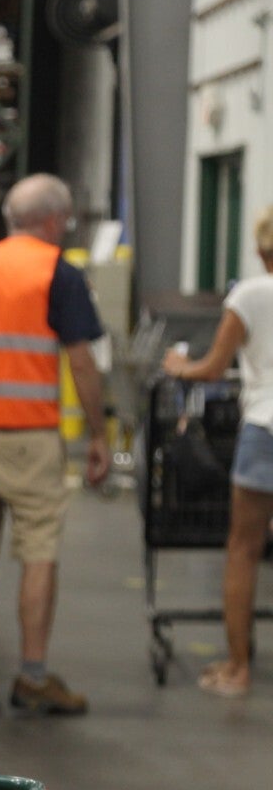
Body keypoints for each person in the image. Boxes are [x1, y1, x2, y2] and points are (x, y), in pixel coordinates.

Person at [0, 173, 110, 715]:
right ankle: (34, 676)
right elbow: (82, 361)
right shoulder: (56, 272)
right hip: (30, 437)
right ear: (53, 220)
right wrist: (99, 434)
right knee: (38, 550)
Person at [161, 204, 273, 697]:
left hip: (265, 429)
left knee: (243, 550)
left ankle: (238, 669)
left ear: (261, 248)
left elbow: (212, 368)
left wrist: (178, 365)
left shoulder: (249, 294)